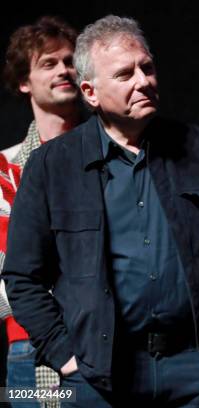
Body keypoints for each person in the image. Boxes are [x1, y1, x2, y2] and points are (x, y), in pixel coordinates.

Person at [3, 15, 199, 407]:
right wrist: (66, 355)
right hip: (99, 375)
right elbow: (21, 274)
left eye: (147, 68)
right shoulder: (51, 165)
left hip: (192, 369)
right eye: (125, 74)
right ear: (90, 92)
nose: (143, 81)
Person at [1, 16, 81, 407]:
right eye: (49, 63)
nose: (64, 70)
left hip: (105, 338)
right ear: (24, 82)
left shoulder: (110, 151)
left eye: (69, 61)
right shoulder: (5, 169)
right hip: (27, 352)